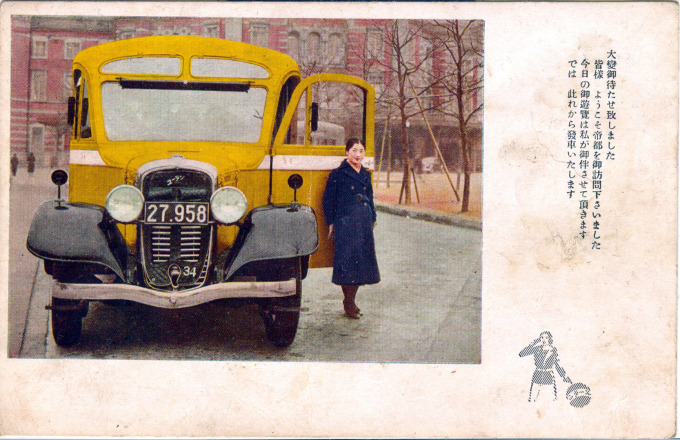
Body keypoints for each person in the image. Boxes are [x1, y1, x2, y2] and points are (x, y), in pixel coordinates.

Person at [322, 138, 380, 319]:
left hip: (363, 221)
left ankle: (351, 301)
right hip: (345, 222)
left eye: (361, 151)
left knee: (360, 263)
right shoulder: (338, 174)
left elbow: (370, 197)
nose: (358, 154)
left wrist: (373, 217)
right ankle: (348, 302)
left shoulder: (365, 173)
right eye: (354, 150)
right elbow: (328, 200)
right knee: (346, 263)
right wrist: (331, 222)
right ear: (347, 152)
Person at [519, 331, 571, 402]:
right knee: (533, 399)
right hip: (537, 376)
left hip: (548, 377)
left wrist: (564, 376)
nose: (544, 340)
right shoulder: (537, 349)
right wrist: (534, 342)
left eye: (546, 338)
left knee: (549, 400)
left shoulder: (553, 350)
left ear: (550, 339)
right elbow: (521, 354)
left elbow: (557, 365)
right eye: (542, 338)